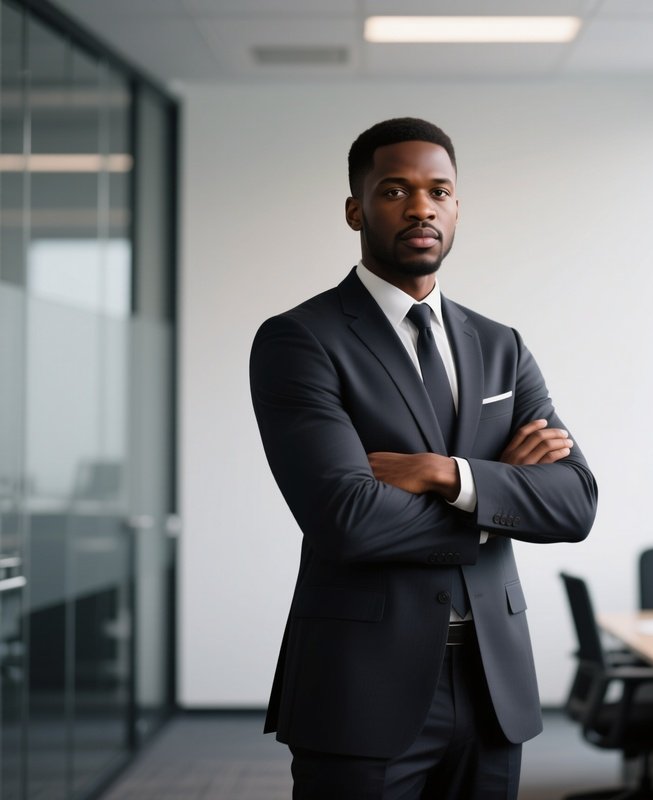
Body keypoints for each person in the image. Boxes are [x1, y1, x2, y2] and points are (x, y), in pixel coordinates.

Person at [249, 117, 598, 799]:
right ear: (356, 208)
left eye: (439, 191)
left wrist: (450, 476)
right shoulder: (302, 340)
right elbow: (346, 519)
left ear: (457, 207)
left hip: (494, 684)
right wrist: (500, 499)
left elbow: (576, 502)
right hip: (361, 687)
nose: (420, 207)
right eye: (394, 191)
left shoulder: (501, 345)